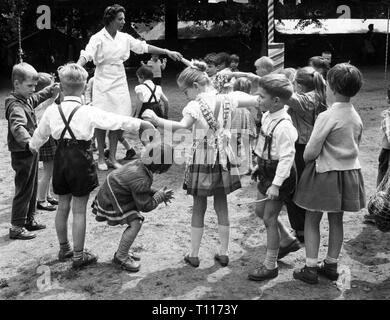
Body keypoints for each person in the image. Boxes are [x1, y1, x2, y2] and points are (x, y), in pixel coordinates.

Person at [29, 63, 156, 269]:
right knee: (79, 210)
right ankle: (79, 256)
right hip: (80, 161)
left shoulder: (53, 110)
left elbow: (39, 135)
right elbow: (114, 120)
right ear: (83, 88)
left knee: (63, 206)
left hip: (61, 160)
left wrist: (32, 146)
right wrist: (140, 123)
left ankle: (64, 249)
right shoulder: (87, 111)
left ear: (60, 86)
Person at [142, 59, 259, 268]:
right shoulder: (227, 99)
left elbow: (181, 126)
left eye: (185, 91)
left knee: (199, 206)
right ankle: (224, 252)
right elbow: (252, 100)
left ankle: (194, 253)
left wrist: (157, 121)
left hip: (202, 158)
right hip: (224, 157)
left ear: (195, 87)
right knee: (222, 206)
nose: (185, 96)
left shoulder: (195, 105)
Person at [77, 4, 182, 171]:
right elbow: (87, 54)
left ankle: (112, 157)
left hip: (119, 79)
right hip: (102, 79)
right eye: (120, 19)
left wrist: (167, 51)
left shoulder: (124, 37)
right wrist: (77, 66)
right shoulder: (97, 38)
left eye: (123, 18)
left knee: (117, 119)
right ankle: (101, 158)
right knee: (101, 119)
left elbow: (143, 47)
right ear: (110, 20)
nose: (123, 22)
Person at [293, 63, 366, 284]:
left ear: (330, 87)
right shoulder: (356, 116)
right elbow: (357, 144)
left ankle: (311, 267)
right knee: (337, 220)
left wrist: (306, 160)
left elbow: (311, 150)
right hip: (349, 174)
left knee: (312, 218)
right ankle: (332, 264)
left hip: (325, 174)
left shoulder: (327, 116)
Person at [247, 74, 300, 281]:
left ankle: (270, 266)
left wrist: (276, 185)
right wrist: (257, 164)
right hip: (266, 170)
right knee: (260, 211)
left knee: (269, 218)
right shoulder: (269, 115)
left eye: (261, 96)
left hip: (280, 175)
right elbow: (263, 144)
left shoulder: (285, 126)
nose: (257, 99)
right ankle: (287, 240)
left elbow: (287, 158)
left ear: (276, 100)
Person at [91, 142, 174, 272]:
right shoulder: (142, 178)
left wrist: (156, 192)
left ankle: (122, 252)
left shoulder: (140, 164)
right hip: (113, 198)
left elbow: (139, 188)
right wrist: (158, 197)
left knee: (135, 220)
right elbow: (145, 205)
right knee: (136, 222)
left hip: (114, 192)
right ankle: (121, 257)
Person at [5, 62, 59, 240]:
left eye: (35, 85)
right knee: (24, 189)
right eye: (30, 86)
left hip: (31, 149)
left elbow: (37, 97)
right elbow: (18, 126)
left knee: (33, 185)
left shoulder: (25, 98)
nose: (33, 89)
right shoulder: (15, 106)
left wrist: (51, 88)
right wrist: (28, 142)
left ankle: (29, 219)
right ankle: (16, 227)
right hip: (23, 151)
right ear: (16, 84)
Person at [283, 66, 328, 245]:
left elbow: (282, 93)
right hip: (314, 147)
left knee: (293, 188)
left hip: (300, 148)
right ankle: (305, 227)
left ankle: (300, 230)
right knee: (307, 187)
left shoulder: (303, 100)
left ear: (300, 86)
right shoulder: (319, 94)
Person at [34, 72, 59, 211]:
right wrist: (54, 95)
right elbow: (49, 103)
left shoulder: (38, 101)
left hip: (48, 137)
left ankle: (47, 195)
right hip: (46, 139)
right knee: (48, 171)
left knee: (49, 170)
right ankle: (41, 200)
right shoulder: (41, 104)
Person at [364, 97, 390, 224]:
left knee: (383, 181)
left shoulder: (387, 118)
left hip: (387, 152)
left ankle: (379, 211)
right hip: (386, 152)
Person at [231, 77, 257, 175]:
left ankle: (236, 165)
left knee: (234, 142)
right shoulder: (249, 96)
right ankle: (248, 165)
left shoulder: (231, 95)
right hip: (246, 118)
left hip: (234, 118)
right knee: (247, 144)